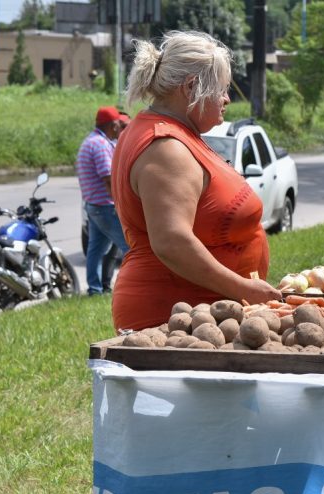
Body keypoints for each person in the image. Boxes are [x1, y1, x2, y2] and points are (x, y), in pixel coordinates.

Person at [110, 30, 281, 332]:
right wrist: (243, 288)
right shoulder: (165, 147)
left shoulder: (172, 133)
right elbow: (172, 242)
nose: (227, 99)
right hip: (177, 318)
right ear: (190, 88)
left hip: (201, 314)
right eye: (222, 89)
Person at [76, 105, 130, 296]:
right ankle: (130, 288)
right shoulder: (99, 144)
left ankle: (95, 288)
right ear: (113, 125)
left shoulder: (93, 141)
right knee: (130, 247)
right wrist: (121, 205)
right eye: (118, 125)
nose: (119, 129)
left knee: (96, 250)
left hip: (94, 206)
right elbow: (108, 179)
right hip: (104, 206)